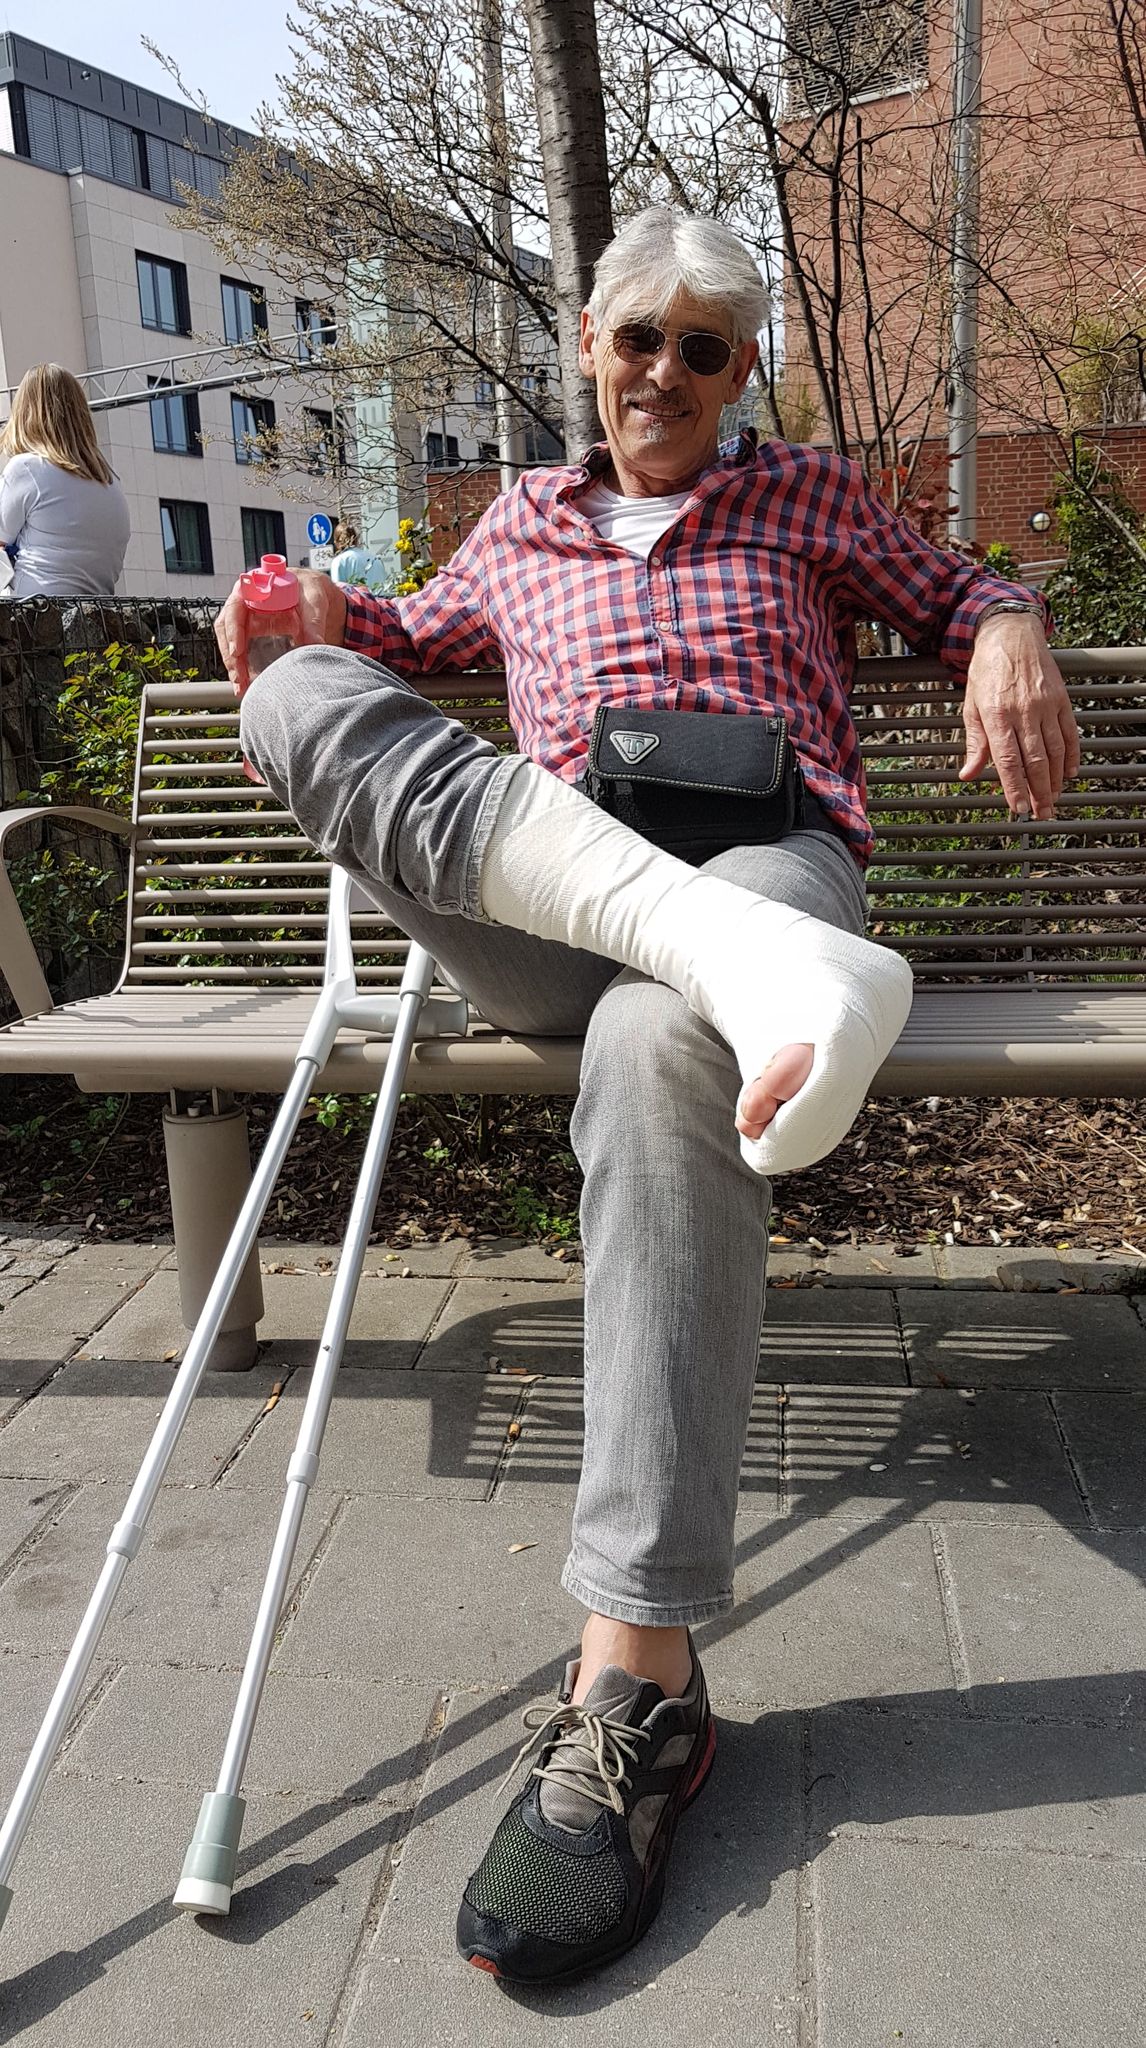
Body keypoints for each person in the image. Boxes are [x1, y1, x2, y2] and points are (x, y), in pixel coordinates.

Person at [216, 208, 1078, 1988]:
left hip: (772, 866)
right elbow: (394, 643)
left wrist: (1007, 623)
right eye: (638, 339)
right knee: (295, 696)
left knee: (654, 1040)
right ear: (589, 346)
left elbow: (958, 586)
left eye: (704, 348)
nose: (664, 375)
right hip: (554, 899)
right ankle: (713, 957)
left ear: (740, 371)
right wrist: (311, 623)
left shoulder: (809, 498)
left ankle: (637, 1684)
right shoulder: (517, 523)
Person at [0, 363, 130, 599]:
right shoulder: (110, 480)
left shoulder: (27, 468)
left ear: (24, 413)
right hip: (98, 606)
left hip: (35, 608)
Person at [329, 520, 387, 592]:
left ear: (336, 542)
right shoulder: (375, 558)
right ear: (356, 539)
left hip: (357, 599)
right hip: (381, 598)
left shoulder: (339, 561)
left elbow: (337, 593)